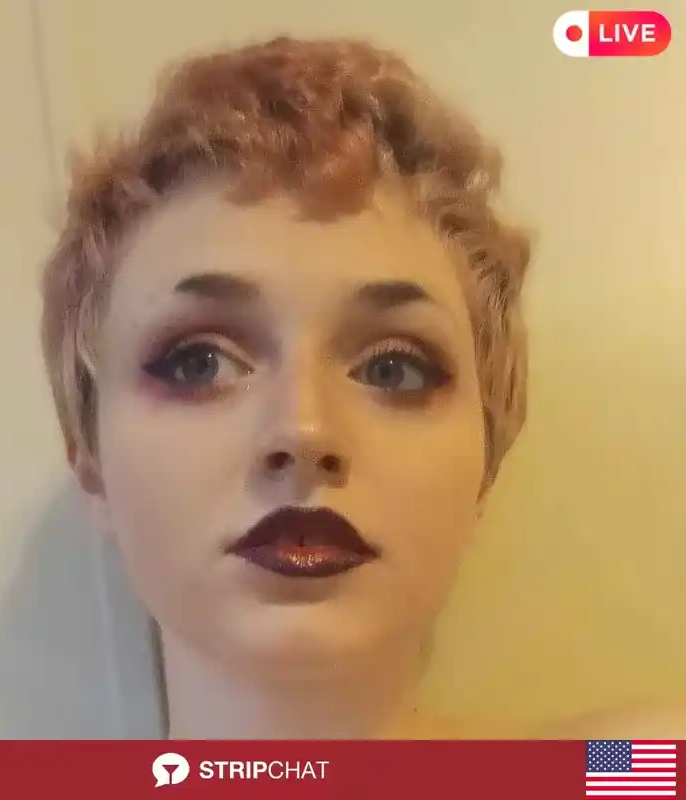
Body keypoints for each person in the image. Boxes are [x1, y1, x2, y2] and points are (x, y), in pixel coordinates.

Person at [40, 36, 684, 739]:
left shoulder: (620, 771)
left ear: (486, 466)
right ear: (92, 464)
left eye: (392, 369)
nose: (303, 431)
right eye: (200, 363)